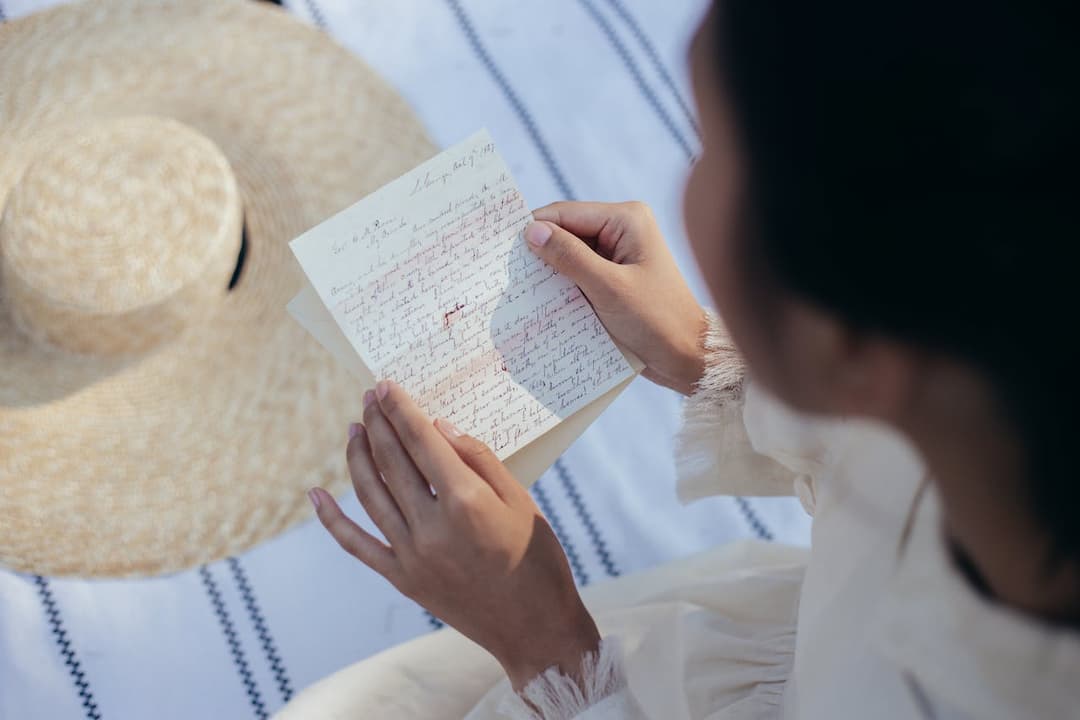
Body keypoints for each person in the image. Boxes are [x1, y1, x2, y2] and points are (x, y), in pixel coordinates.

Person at [289, 1, 1079, 718]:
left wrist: (548, 647)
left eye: (710, 147)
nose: (680, 179)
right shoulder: (994, 382)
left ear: (843, 344)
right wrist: (706, 358)